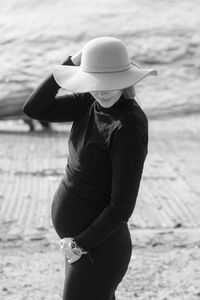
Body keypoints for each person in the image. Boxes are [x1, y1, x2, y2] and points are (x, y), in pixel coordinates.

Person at [22, 36, 157, 300]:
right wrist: (72, 61)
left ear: (127, 79)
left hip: (98, 250)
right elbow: (34, 108)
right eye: (95, 80)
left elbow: (122, 206)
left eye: (111, 82)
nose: (102, 90)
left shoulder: (127, 127)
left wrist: (80, 245)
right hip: (82, 246)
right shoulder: (89, 103)